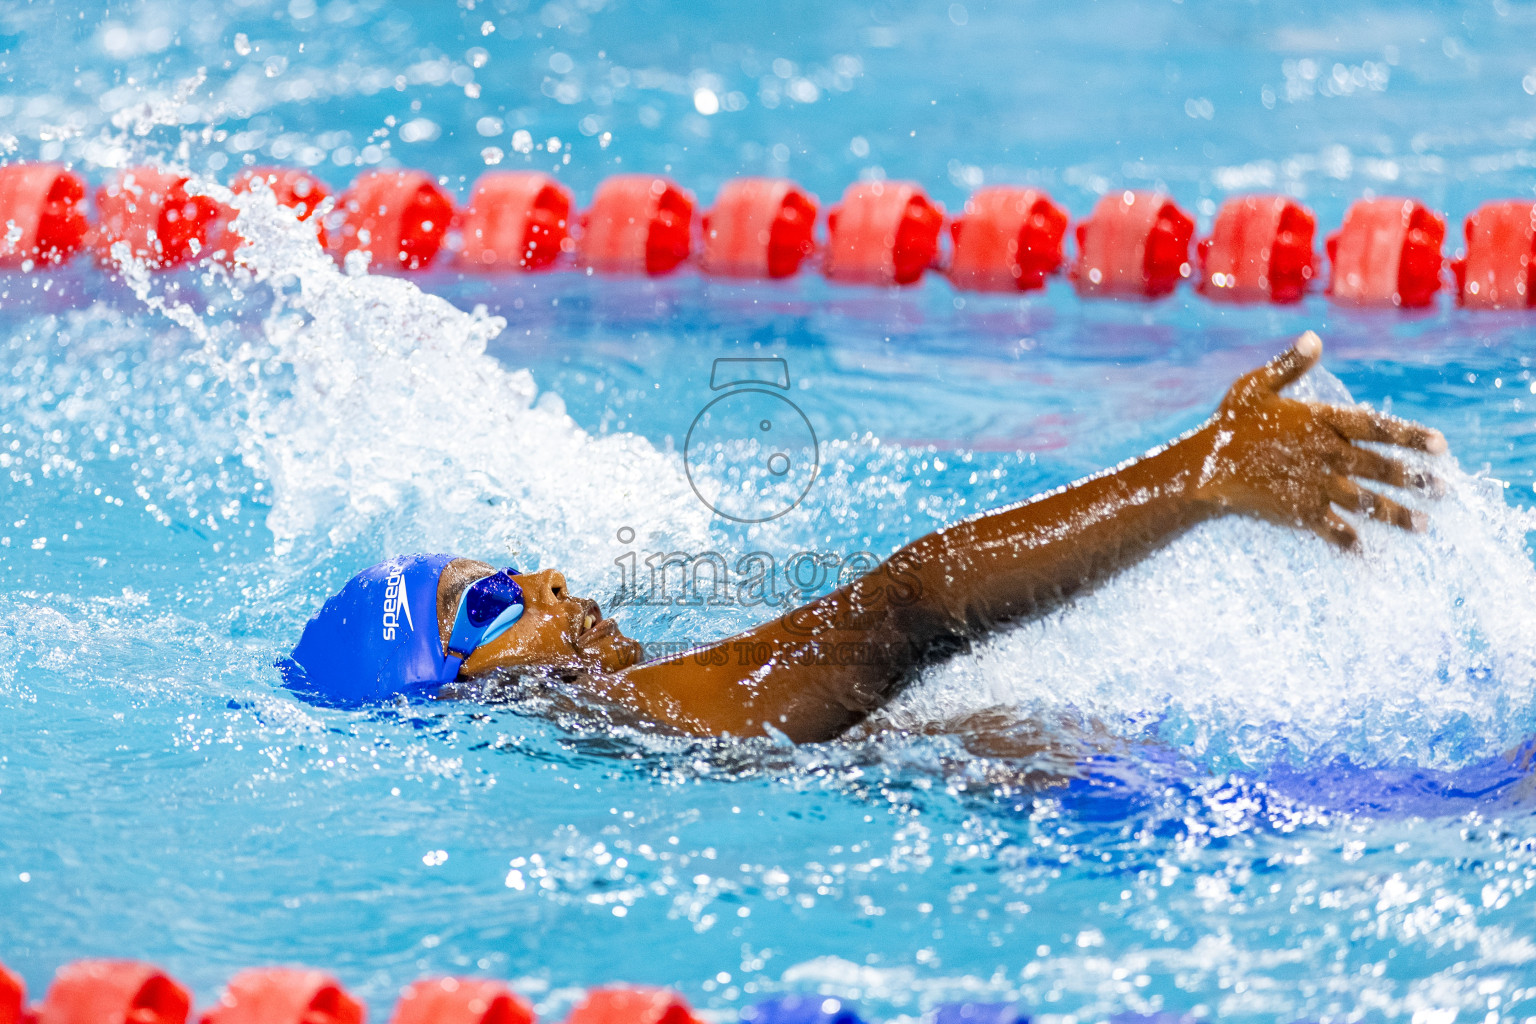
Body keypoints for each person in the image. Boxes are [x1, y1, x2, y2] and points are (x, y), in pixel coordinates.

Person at [279, 333, 1446, 744]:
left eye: (519, 567)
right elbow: (912, 602)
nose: (548, 581)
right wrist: (1195, 475)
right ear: (453, 697)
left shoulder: (644, 721)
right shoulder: (646, 712)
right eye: (489, 607)